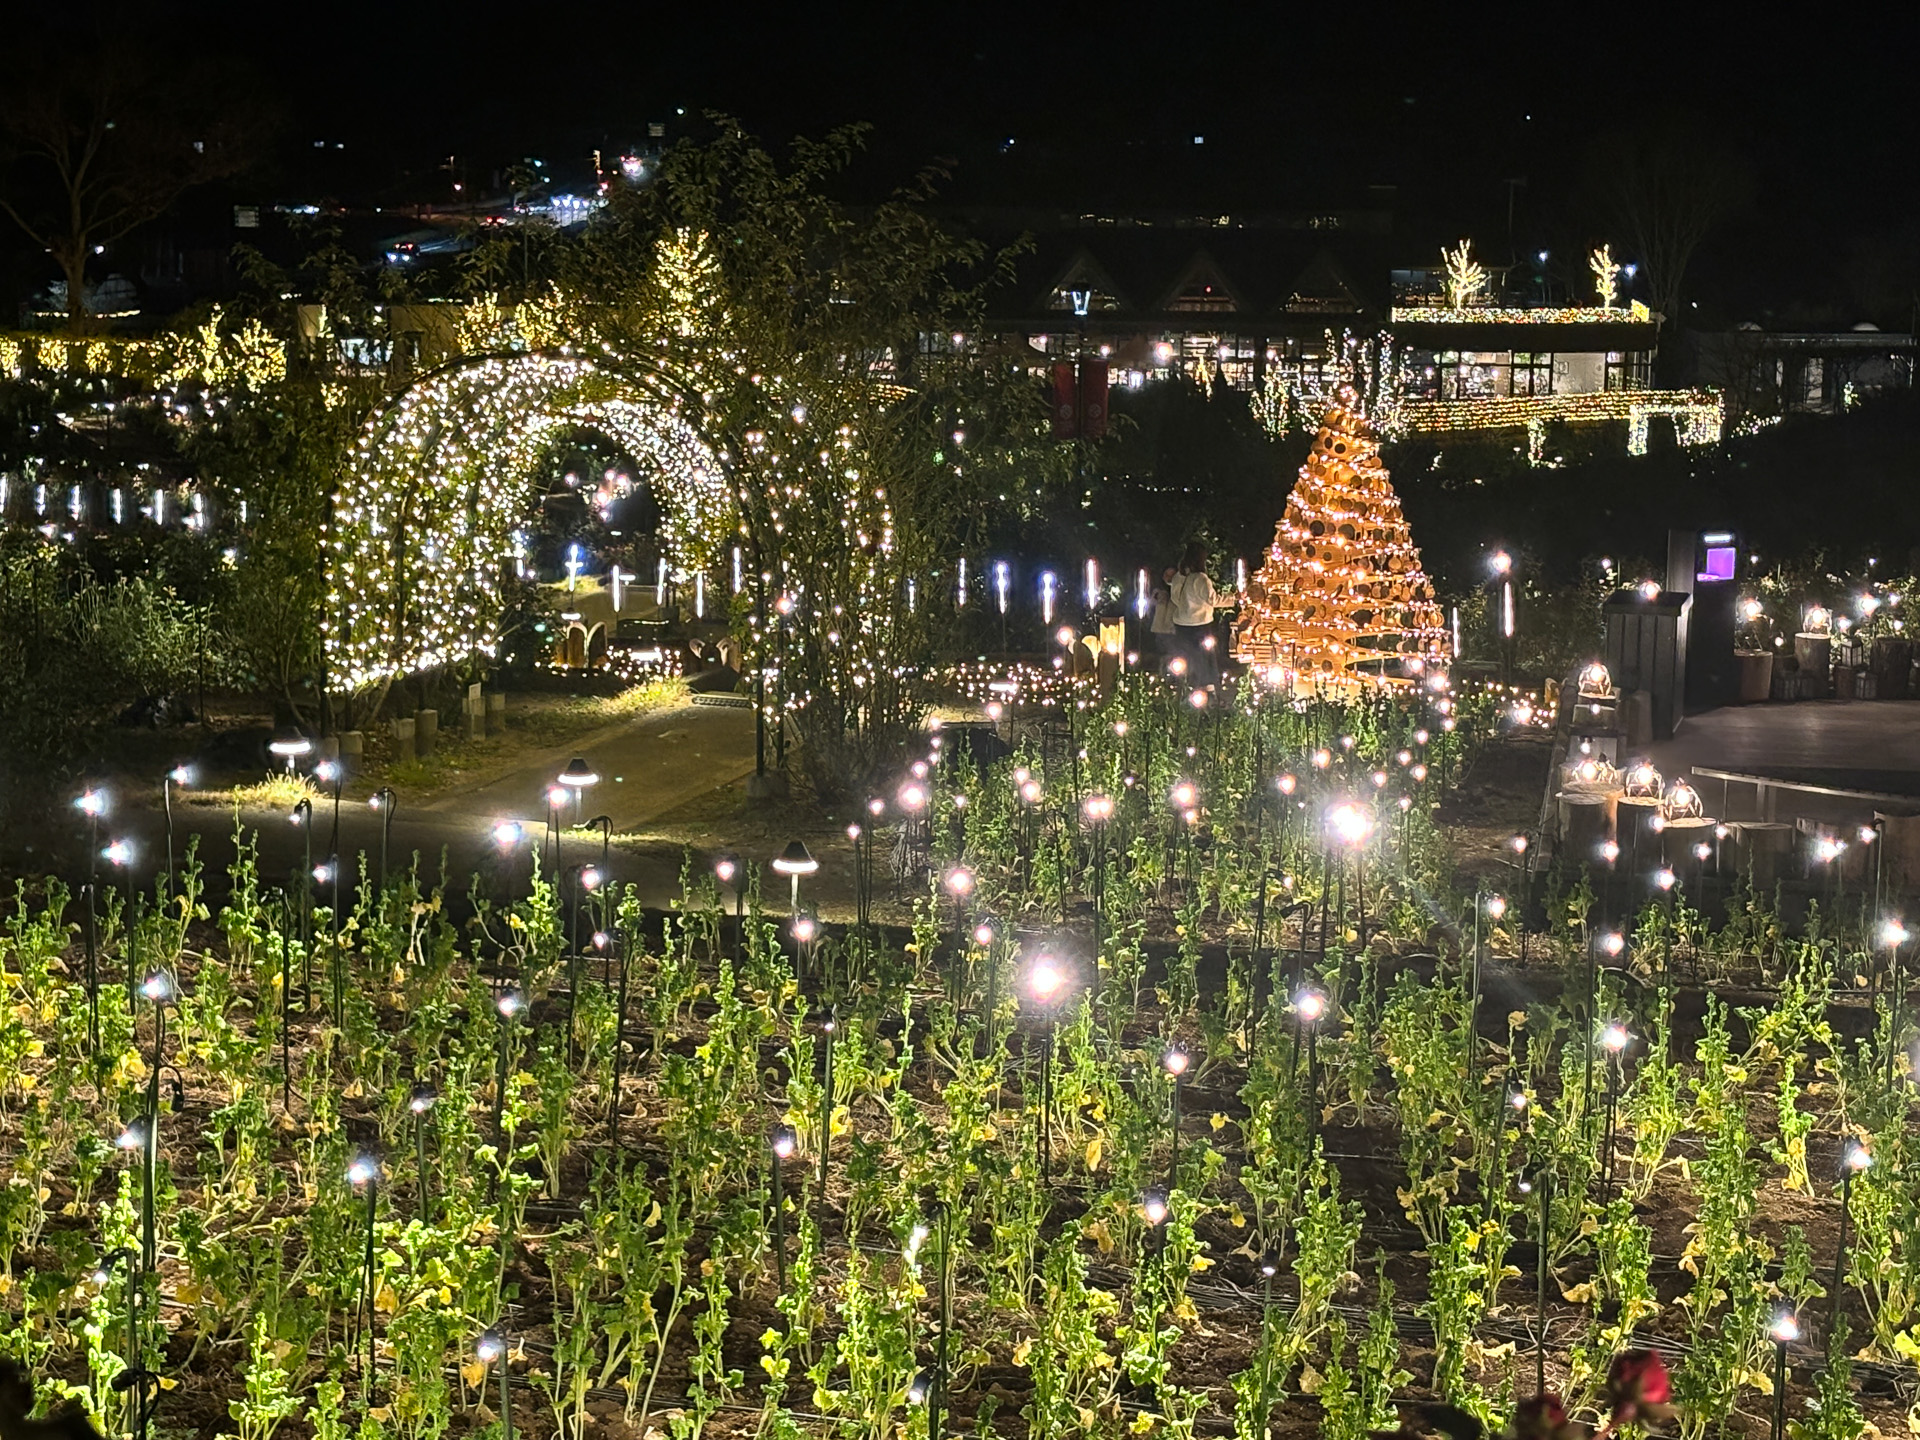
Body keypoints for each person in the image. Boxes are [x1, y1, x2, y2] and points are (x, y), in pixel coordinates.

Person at [1168, 541, 1222, 685]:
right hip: (1201, 623)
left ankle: (1184, 686)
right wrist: (1234, 598)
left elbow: (1175, 598)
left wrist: (1186, 606)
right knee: (1206, 658)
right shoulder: (1201, 578)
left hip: (1182, 622)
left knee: (1184, 657)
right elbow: (1213, 599)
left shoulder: (1179, 577)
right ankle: (1208, 690)